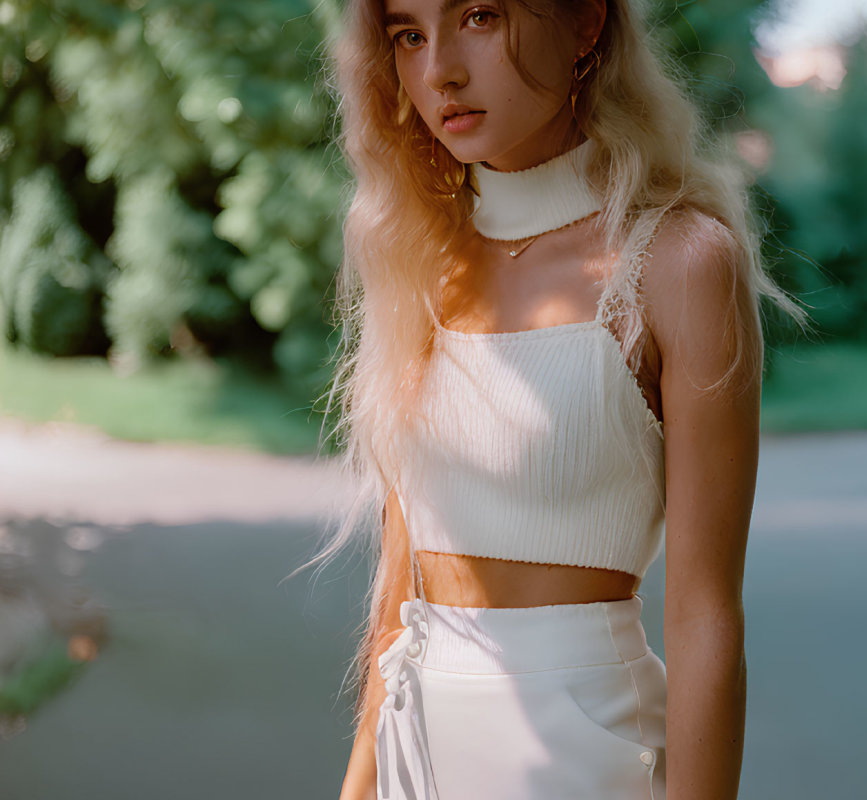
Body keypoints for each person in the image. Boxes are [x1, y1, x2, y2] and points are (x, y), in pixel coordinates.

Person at [295, 1, 804, 798]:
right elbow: (401, 595)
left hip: (586, 760)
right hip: (416, 754)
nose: (440, 72)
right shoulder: (415, 257)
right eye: (408, 35)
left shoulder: (676, 263)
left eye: (480, 17)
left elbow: (706, 622)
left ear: (587, 23)